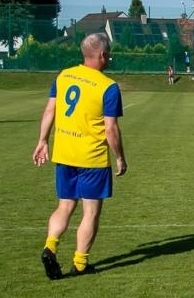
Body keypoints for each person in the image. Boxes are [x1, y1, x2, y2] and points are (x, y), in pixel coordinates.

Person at [32, 33, 127, 279]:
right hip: (92, 158)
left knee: (64, 206)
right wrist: (119, 157)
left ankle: (50, 246)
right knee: (91, 212)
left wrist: (43, 141)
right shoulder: (108, 86)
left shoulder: (63, 76)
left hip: (64, 153)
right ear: (103, 55)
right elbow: (110, 128)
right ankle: (80, 264)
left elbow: (50, 109)